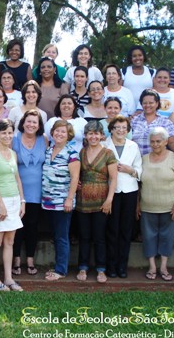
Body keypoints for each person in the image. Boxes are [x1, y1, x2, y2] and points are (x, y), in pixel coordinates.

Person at [138, 127, 174, 281]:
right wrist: (137, 204)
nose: (155, 144)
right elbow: (139, 184)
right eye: (152, 141)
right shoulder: (144, 159)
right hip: (147, 207)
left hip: (169, 207)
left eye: (159, 141)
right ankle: (152, 267)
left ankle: (164, 267)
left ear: (166, 141)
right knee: (148, 236)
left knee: (167, 236)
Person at [0, 119, 26, 291]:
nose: (7, 136)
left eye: (10, 133)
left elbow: (17, 178)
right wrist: (1, 205)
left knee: (10, 242)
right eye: (4, 133)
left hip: (14, 200)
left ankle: (8, 278)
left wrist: (22, 201)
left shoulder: (13, 153)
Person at [75, 121, 118, 283]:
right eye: (90, 133)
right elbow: (76, 174)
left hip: (102, 200)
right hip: (83, 201)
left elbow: (113, 178)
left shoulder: (108, 153)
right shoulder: (81, 152)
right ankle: (83, 267)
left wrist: (109, 200)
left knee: (100, 236)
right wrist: (77, 182)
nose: (93, 136)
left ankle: (101, 269)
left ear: (102, 135)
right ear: (86, 136)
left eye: (96, 133)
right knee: (84, 236)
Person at [42, 120, 80, 280]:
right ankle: (59, 265)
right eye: (57, 131)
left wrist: (69, 199)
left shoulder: (72, 153)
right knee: (55, 235)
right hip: (47, 201)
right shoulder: (48, 150)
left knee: (61, 236)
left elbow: (75, 177)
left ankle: (61, 270)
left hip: (62, 201)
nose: (59, 134)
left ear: (69, 135)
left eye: (63, 132)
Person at [104, 116, 141, 278]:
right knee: (112, 230)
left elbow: (140, 171)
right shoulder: (104, 145)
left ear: (128, 130)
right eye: (117, 127)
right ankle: (110, 266)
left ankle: (122, 266)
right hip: (110, 193)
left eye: (124, 128)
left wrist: (130, 170)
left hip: (129, 192)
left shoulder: (133, 146)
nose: (120, 130)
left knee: (126, 230)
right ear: (111, 129)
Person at [12, 110, 48, 276]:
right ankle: (16, 259)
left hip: (37, 191)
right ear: (23, 122)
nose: (31, 125)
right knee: (17, 226)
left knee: (32, 226)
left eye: (35, 122)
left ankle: (31, 260)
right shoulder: (14, 139)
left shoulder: (44, 140)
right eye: (28, 121)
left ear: (39, 125)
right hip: (18, 190)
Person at [131, 89, 174, 156]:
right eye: (145, 103)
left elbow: (171, 142)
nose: (148, 105)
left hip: (158, 162)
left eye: (151, 103)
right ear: (141, 104)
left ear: (157, 103)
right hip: (137, 161)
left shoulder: (166, 122)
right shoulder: (134, 121)